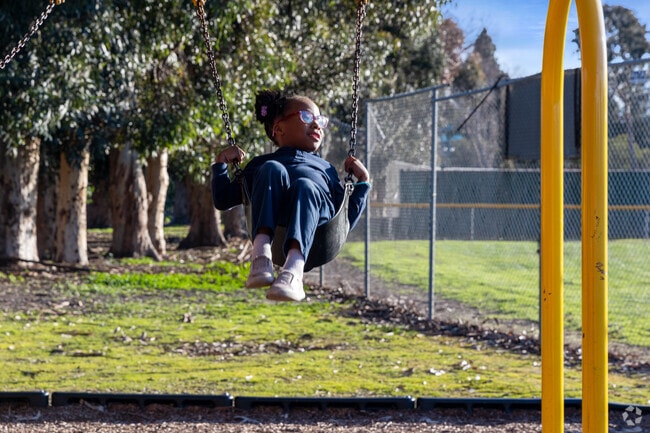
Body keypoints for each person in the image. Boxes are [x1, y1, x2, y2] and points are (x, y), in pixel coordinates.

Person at [211, 89, 370, 302]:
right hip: (276, 226)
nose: (316, 125)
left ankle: (293, 272)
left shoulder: (327, 169)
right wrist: (221, 163)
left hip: (317, 233)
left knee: (305, 186)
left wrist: (363, 183)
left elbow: (344, 219)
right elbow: (222, 199)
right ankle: (261, 255)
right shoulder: (259, 165)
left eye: (320, 120)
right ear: (279, 128)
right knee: (271, 169)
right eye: (306, 117)